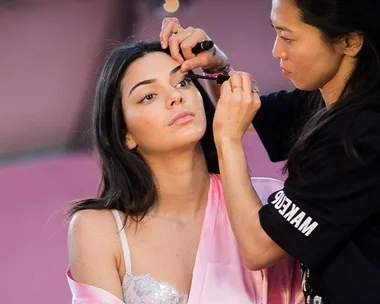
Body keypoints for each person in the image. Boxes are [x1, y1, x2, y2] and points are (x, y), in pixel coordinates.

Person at [159, 0, 380, 303]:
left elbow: (258, 247)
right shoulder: (328, 99)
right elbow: (250, 113)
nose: (277, 50)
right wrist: (217, 67)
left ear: (349, 42)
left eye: (288, 37)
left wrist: (228, 140)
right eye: (275, 33)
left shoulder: (362, 135)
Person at [66, 40, 303, 304]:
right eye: (148, 96)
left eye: (183, 82)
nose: (176, 97)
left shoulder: (271, 200)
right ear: (124, 134)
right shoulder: (98, 230)